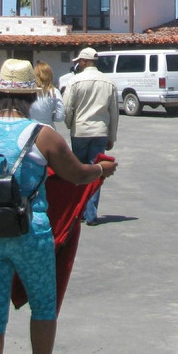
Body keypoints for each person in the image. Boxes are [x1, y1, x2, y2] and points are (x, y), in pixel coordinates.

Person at [0, 59, 117, 354]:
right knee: (44, 307)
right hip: (30, 233)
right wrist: (100, 170)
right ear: (31, 96)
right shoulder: (41, 134)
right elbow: (75, 175)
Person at [62, 47, 119, 226]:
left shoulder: (75, 81)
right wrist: (112, 136)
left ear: (85, 62)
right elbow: (114, 113)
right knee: (96, 172)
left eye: (79, 61)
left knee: (78, 173)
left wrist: (70, 125)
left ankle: (77, 212)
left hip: (80, 132)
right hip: (100, 132)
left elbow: (67, 108)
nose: (78, 64)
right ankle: (91, 214)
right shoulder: (109, 82)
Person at [29, 61, 65, 126]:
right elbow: (60, 115)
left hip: (30, 127)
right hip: (48, 127)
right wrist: (50, 117)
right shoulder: (54, 91)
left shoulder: (29, 91)